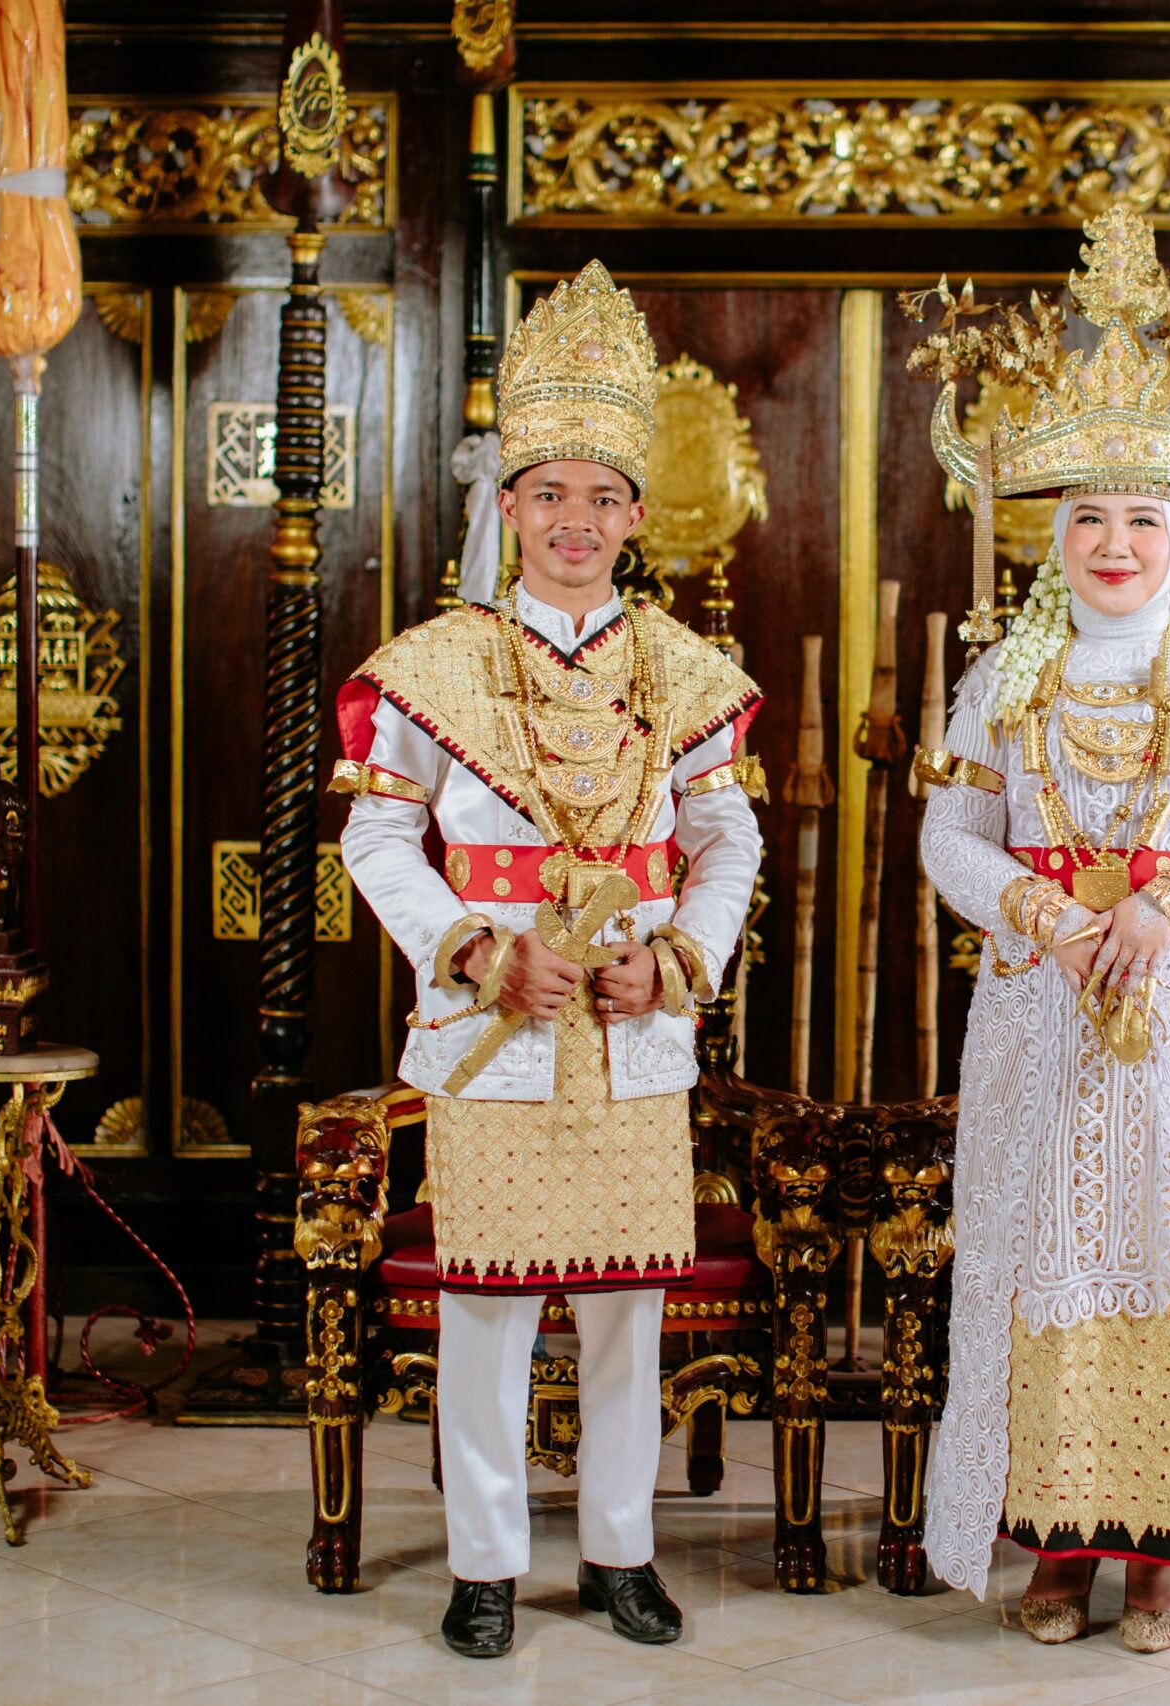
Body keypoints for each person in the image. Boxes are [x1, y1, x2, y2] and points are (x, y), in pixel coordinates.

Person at [332, 261, 763, 1659]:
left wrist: (678, 957)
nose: (576, 520)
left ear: (636, 515)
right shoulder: (434, 666)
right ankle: (486, 1564)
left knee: (629, 1302)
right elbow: (378, 843)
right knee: (489, 1304)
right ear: (507, 504)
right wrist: (474, 948)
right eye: (549, 493)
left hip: (632, 1027)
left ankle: (622, 1552)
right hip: (494, 1028)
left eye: (603, 496)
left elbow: (729, 841)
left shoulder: (687, 672)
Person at [912, 204, 1170, 1652]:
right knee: (1044, 1266)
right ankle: (1056, 1549)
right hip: (1040, 1011)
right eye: (1089, 516)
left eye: (1144, 517)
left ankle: (1164, 1560)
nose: (1114, 542)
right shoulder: (1008, 678)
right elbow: (947, 837)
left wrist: (1168, 903)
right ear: (1055, 534)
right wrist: (1036, 904)